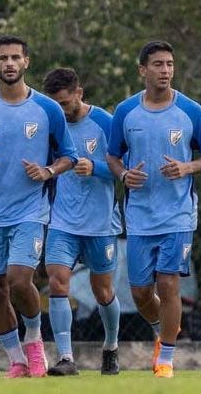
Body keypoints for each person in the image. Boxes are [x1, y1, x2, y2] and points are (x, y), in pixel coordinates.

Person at [0, 36, 77, 378]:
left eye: (15, 58)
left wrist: (48, 171)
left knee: (19, 279)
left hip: (31, 211)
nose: (9, 63)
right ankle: (16, 360)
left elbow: (69, 156)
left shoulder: (48, 109)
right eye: (3, 58)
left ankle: (35, 342)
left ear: (26, 62)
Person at [107, 40, 201, 378]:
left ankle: (166, 357)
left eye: (170, 64)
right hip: (140, 216)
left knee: (168, 285)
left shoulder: (191, 110)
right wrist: (125, 174)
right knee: (141, 292)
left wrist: (187, 168)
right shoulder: (126, 112)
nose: (165, 71)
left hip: (178, 214)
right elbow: (112, 156)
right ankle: (165, 328)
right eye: (158, 64)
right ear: (142, 70)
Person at [41, 67, 123, 376]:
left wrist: (96, 167)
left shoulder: (105, 122)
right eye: (55, 105)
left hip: (100, 223)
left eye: (65, 103)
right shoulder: (51, 125)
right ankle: (65, 357)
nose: (60, 111)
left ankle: (111, 347)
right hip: (61, 221)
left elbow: (123, 166)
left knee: (103, 290)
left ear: (79, 93)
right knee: (58, 282)